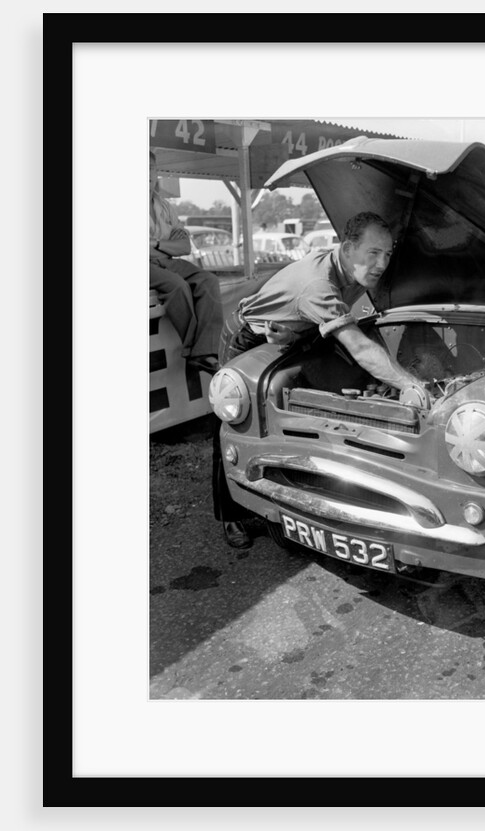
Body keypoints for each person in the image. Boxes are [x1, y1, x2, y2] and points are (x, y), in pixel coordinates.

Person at [215, 210, 432, 548]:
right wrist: (408, 383)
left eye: (387, 254)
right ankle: (232, 515)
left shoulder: (349, 271)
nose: (382, 263)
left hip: (292, 331)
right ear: (347, 248)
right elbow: (358, 345)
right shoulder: (319, 285)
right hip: (250, 335)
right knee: (237, 419)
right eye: (373, 253)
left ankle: (309, 490)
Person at [149, 150, 223, 374]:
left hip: (164, 259)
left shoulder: (164, 206)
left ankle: (206, 350)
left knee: (208, 280)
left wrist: (156, 245)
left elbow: (185, 246)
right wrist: (165, 244)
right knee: (176, 285)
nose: (147, 174)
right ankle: (196, 352)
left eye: (150, 168)